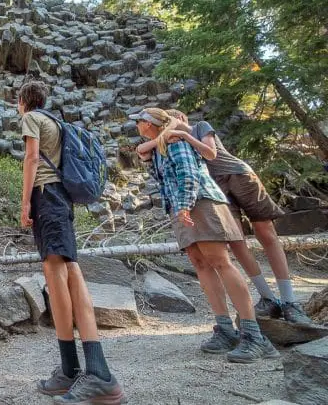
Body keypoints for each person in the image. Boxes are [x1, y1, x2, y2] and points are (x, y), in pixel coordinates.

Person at [136, 110, 313, 325]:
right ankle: (268, 298)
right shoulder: (166, 141)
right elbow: (143, 149)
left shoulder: (199, 127)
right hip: (216, 187)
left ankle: (289, 300)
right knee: (236, 243)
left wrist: (184, 134)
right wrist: (165, 137)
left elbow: (211, 153)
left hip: (238, 175)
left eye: (177, 116)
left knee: (266, 232)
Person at [132, 108, 278, 362]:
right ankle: (225, 329)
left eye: (139, 121)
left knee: (220, 261)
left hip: (200, 203)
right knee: (201, 264)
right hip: (181, 207)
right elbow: (148, 158)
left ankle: (254, 336)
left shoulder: (176, 142)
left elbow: (189, 174)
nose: (136, 125)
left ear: (148, 124)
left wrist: (186, 204)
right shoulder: (160, 146)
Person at [18, 81, 126, 404]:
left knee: (59, 276)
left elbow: (32, 158)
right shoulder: (56, 122)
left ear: (24, 101)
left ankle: (97, 374)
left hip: (46, 197)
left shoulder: (31, 118)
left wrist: (25, 203)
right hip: (61, 200)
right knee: (67, 274)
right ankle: (73, 370)